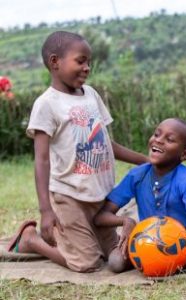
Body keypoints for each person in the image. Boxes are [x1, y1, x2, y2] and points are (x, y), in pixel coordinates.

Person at [6, 30, 148, 273]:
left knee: (114, 255)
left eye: (89, 63)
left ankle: (74, 238)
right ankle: (31, 240)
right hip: (69, 196)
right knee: (87, 263)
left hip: (100, 198)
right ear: (55, 62)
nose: (87, 68)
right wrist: (46, 210)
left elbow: (107, 145)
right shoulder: (47, 104)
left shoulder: (91, 95)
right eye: (80, 61)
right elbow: (41, 161)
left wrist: (147, 161)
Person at [94, 118, 186, 281]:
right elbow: (101, 217)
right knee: (115, 262)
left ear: (185, 154)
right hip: (146, 240)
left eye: (169, 140)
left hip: (183, 240)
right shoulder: (137, 175)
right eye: (156, 134)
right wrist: (126, 221)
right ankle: (156, 261)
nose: (159, 140)